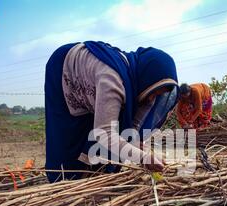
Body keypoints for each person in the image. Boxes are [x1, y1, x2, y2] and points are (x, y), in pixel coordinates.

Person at [44, 41, 179, 183]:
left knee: (112, 129)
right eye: (154, 92)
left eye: (158, 94)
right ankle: (63, 179)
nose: (153, 98)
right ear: (147, 77)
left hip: (95, 79)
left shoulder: (144, 88)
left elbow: (132, 131)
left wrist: (143, 150)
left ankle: (93, 174)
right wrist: (143, 158)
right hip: (65, 66)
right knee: (69, 137)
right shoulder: (112, 81)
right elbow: (104, 135)